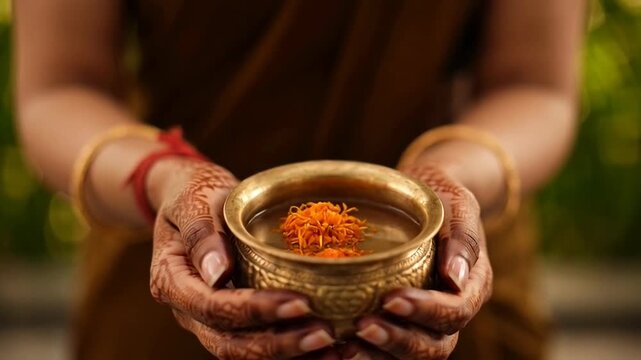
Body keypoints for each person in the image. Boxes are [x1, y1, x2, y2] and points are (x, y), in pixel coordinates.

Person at [14, 1, 584, 359]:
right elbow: (60, 87)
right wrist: (167, 180)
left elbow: (535, 85)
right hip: (184, 267)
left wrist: (453, 175)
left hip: (441, 268)